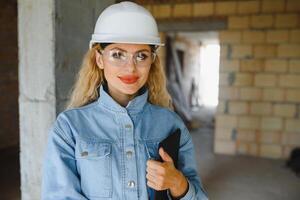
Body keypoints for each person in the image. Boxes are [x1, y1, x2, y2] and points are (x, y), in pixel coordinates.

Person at [42, 1, 208, 200]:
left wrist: (178, 183)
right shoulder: (69, 127)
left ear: (152, 62)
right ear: (99, 59)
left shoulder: (171, 124)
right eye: (118, 54)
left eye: (141, 56)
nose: (130, 68)